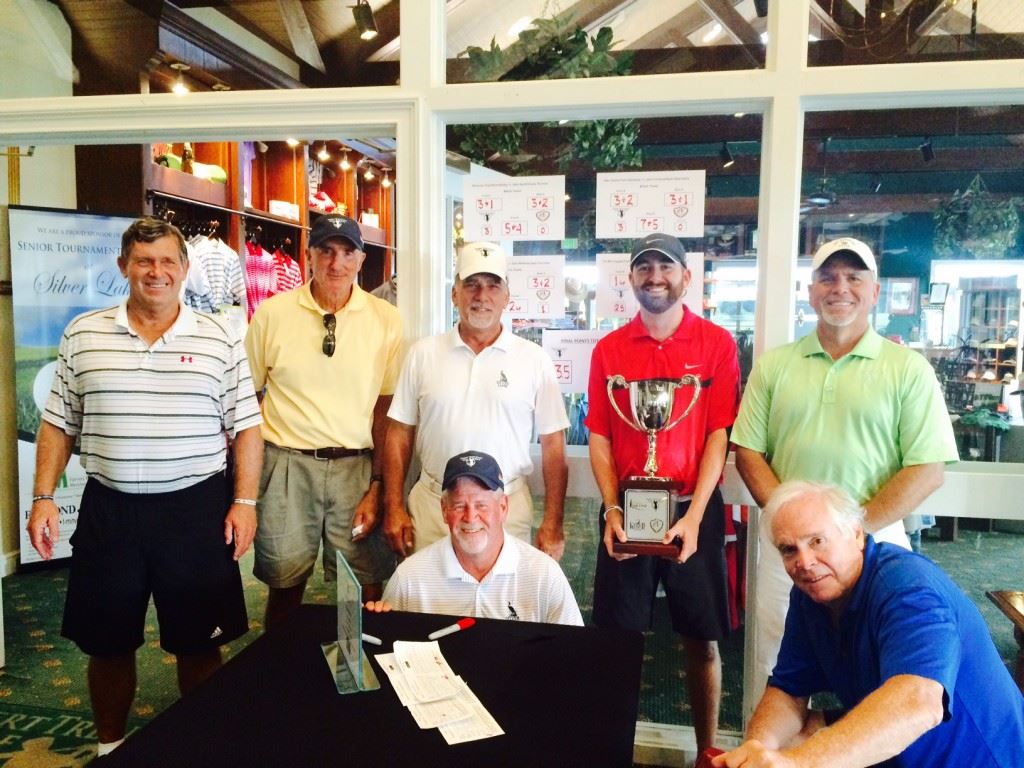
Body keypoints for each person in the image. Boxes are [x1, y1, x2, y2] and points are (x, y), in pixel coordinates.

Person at [26, 216, 264, 758]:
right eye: (144, 261)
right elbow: (59, 423)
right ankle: (111, 747)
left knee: (200, 644)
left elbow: (247, 427)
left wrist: (244, 503)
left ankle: (199, 746)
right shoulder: (83, 333)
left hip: (195, 512)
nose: (156, 272)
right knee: (106, 644)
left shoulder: (219, 337)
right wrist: (42, 496)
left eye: (167, 262)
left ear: (184, 269)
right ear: (123, 267)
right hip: (110, 513)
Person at [731, 236, 959, 695]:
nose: (841, 287)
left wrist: (851, 534)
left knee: (882, 671)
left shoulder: (908, 369)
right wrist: (798, 531)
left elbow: (927, 469)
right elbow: (748, 453)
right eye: (828, 277)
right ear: (811, 291)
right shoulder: (774, 367)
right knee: (776, 669)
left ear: (874, 292)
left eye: (854, 277)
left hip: (877, 545)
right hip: (789, 552)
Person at [714, 481, 1024, 768]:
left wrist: (799, 764)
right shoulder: (812, 593)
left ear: (856, 534)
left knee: (803, 752)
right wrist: (755, 751)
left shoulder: (907, 589)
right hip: (904, 751)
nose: (805, 562)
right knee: (792, 737)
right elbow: (788, 691)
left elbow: (919, 702)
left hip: (978, 758)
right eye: (789, 549)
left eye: (818, 541)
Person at [587, 232, 740, 752]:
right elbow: (602, 437)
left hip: (693, 510)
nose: (656, 277)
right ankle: (611, 747)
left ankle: (707, 750)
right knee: (617, 643)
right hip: (626, 511)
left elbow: (719, 434)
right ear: (631, 278)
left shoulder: (717, 345)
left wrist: (695, 515)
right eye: (645, 267)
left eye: (666, 267)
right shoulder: (609, 350)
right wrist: (610, 508)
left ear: (685, 277)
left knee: (702, 639)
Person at [245, 213, 402, 627]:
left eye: (347, 252)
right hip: (286, 464)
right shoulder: (272, 314)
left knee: (366, 580)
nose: (336, 263)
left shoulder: (386, 320)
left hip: (357, 468)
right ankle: (279, 667)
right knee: (285, 577)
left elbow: (385, 411)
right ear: (309, 256)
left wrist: (378, 486)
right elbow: (246, 398)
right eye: (326, 251)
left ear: (361, 259)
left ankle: (368, 665)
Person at [383, 241, 569, 559]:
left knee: (504, 608)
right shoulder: (422, 354)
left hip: (506, 510)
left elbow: (554, 445)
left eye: (493, 286)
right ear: (455, 294)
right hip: (432, 510)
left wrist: (553, 521)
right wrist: (394, 506)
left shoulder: (534, 359)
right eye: (471, 285)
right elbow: (399, 433)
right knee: (429, 607)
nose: (482, 297)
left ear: (507, 297)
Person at [367, 451, 582, 626]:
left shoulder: (544, 575)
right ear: (444, 510)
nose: (470, 517)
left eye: (482, 505)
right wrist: (376, 622)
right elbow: (388, 656)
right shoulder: (409, 577)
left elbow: (572, 655)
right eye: (460, 505)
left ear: (503, 508)